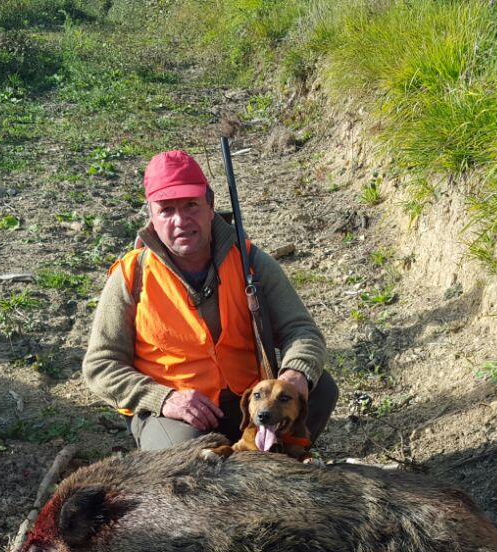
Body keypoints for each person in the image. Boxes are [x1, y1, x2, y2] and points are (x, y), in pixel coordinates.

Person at [83, 149, 338, 450]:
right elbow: (100, 365)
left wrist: (297, 372)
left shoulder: (250, 261)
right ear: (151, 215)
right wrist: (163, 399)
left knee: (318, 388)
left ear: (210, 205)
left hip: (251, 403)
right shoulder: (130, 275)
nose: (180, 220)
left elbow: (302, 331)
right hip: (178, 416)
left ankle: (271, 457)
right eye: (166, 210)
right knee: (182, 464)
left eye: (191, 205)